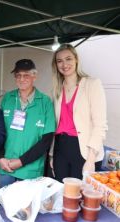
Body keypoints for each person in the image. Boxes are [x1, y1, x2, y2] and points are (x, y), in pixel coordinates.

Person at [50, 44, 107, 182]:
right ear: (56, 65)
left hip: (84, 151)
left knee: (80, 197)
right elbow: (55, 125)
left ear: (76, 60)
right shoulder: (56, 89)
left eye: (68, 59)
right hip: (60, 148)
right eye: (59, 61)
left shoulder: (92, 84)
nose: (64, 64)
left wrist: (91, 160)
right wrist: (52, 155)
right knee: (61, 195)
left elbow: (100, 125)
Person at [0, 59, 56, 187]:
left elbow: (46, 140)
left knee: (27, 207)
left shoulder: (45, 102)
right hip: (6, 166)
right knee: (5, 205)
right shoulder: (8, 98)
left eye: (26, 75)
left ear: (34, 76)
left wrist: (21, 161)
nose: (21, 79)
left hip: (30, 170)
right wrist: (0, 158)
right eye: (18, 75)